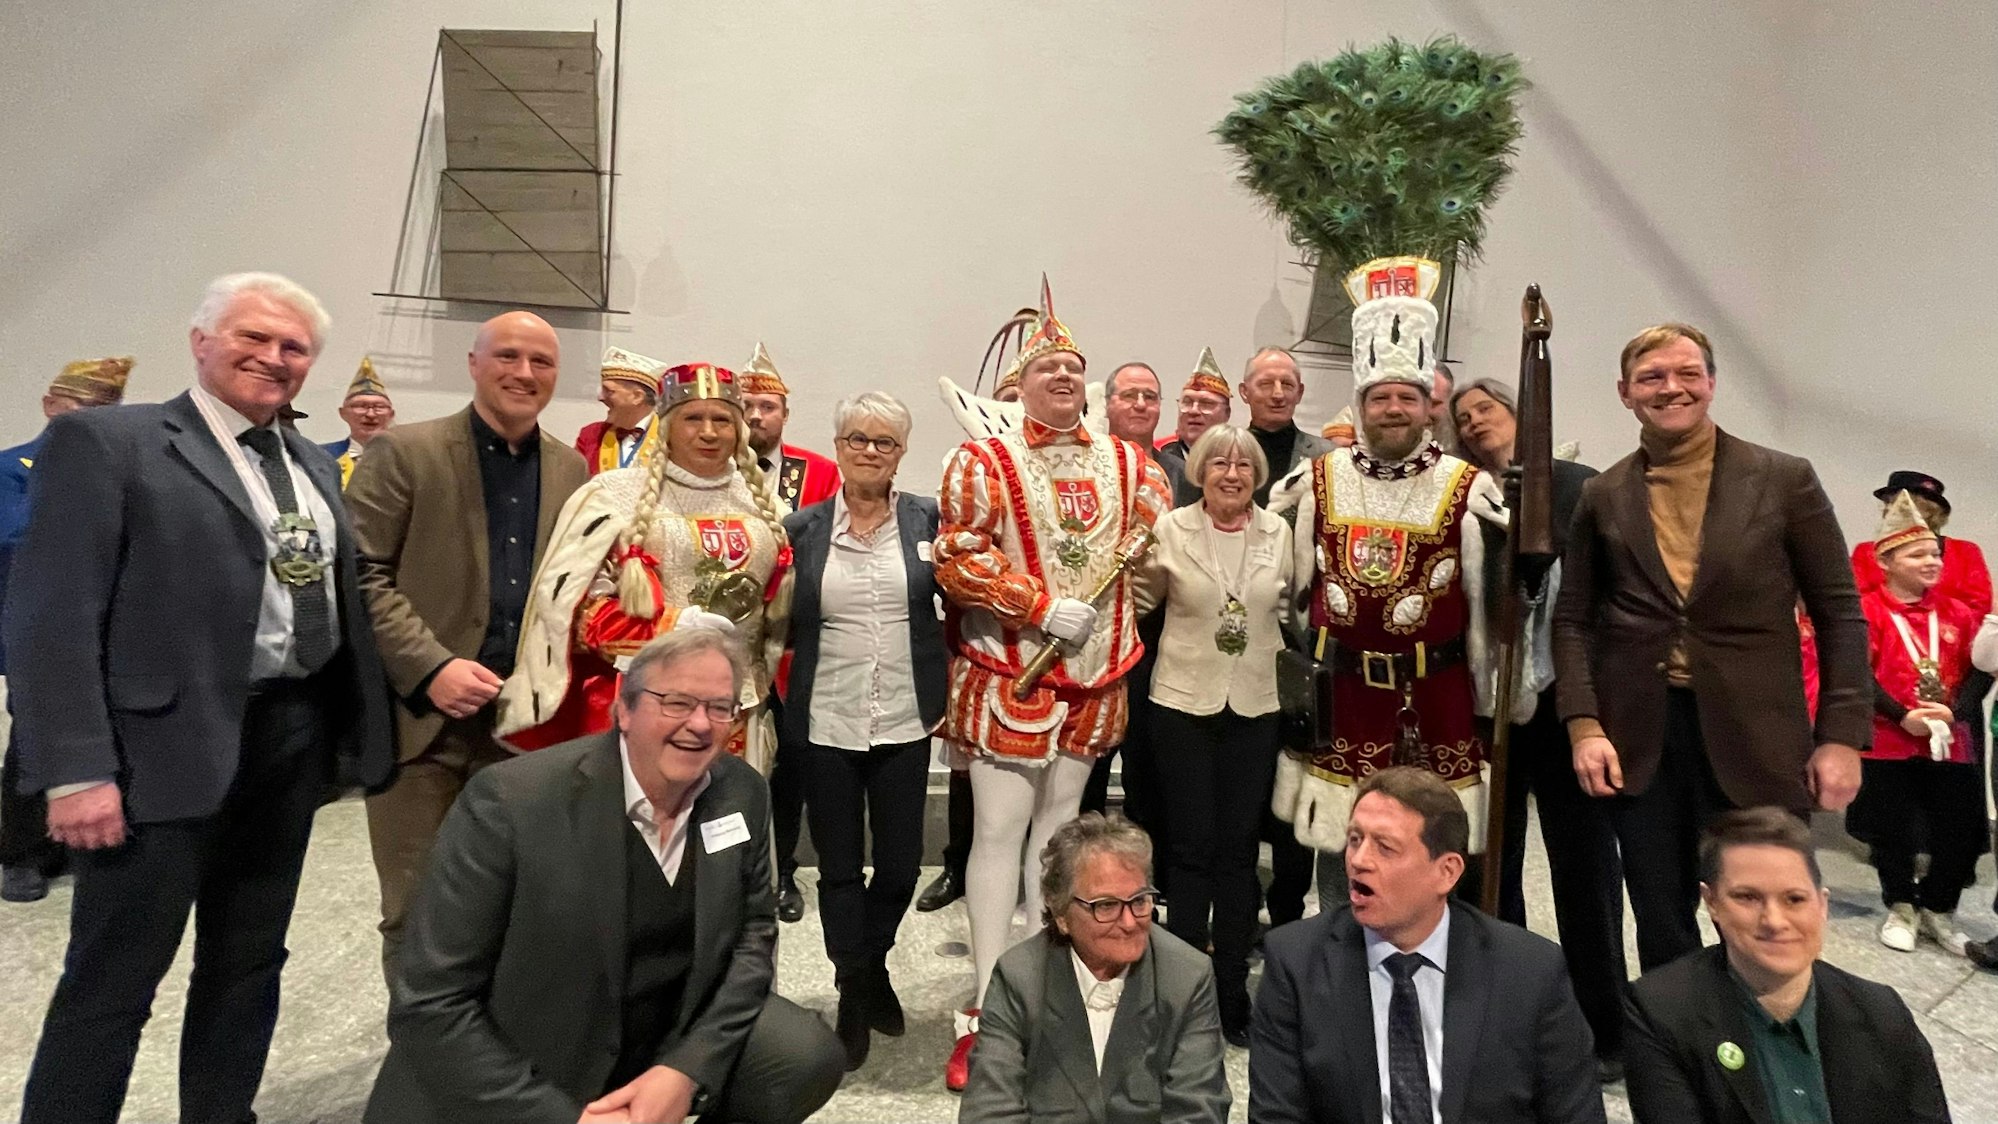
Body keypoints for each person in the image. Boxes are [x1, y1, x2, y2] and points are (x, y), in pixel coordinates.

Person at [5, 272, 394, 1124]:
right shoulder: (113, 444)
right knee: (114, 979)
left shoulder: (308, 464)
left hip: (287, 741)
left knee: (249, 962)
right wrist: (74, 772)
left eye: (294, 348)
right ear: (201, 340)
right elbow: (50, 617)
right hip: (156, 755)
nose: (274, 357)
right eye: (253, 337)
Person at [364, 628, 845, 1124]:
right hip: (530, 1052)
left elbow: (752, 939)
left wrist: (685, 1070)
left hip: (658, 1032)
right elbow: (431, 1003)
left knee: (800, 1057)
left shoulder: (739, 791)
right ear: (624, 709)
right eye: (676, 702)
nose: (700, 724)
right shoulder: (510, 804)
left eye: (720, 707)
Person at [1552, 322, 1868, 973]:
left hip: (1757, 734)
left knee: (1762, 914)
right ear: (1625, 392)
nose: (1672, 388)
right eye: (1652, 377)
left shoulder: (1783, 480)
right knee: (1661, 916)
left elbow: (1840, 613)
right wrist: (1584, 725)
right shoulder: (1603, 495)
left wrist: (1840, 735)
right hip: (1642, 738)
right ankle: (1680, 1057)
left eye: (1687, 373)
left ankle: (1762, 1058)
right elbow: (1574, 620)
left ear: (1711, 383)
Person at [934, 278, 1170, 1090]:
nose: (1064, 379)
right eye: (1049, 370)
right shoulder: (981, 461)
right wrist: (1034, 602)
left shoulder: (1134, 464)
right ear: (1019, 385)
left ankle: (1049, 987)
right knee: (997, 832)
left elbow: (1152, 548)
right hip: (1012, 668)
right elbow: (957, 556)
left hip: (1096, 670)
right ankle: (989, 1000)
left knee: (1061, 831)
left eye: (1074, 369)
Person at [345, 310, 589, 981]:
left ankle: (494, 1060)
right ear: (475, 363)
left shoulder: (571, 469)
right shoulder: (404, 452)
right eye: (508, 356)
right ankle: (421, 1072)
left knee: (515, 903)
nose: (524, 373)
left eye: (541, 362)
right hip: (422, 727)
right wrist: (432, 668)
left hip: (526, 731)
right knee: (420, 907)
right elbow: (360, 573)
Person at [1249, 767, 1604, 1124]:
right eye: (1355, 839)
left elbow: (1576, 1115)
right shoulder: (1295, 962)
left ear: (1446, 872)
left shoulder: (1530, 971)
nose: (1358, 860)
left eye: (1384, 847)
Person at [1451, 377, 1629, 1076]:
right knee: (1489, 863)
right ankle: (1511, 1003)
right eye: (1463, 419)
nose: (1475, 424)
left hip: (1564, 705)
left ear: (1521, 414)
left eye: (1486, 410)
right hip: (1486, 707)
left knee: (1584, 869)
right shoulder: (1463, 497)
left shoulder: (1579, 486)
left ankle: (1605, 1023)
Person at [1277, 315, 1494, 883]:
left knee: (1431, 846)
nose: (1394, 408)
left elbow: (1488, 606)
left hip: (1435, 696)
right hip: (1342, 690)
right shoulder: (1317, 479)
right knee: (1344, 846)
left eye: (1407, 397)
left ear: (1430, 408)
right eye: (1380, 398)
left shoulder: (1468, 486)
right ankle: (1341, 957)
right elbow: (1291, 588)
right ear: (1361, 406)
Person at [495, 362, 791, 770]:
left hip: (739, 707)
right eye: (693, 418)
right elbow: (575, 615)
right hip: (650, 705)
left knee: (728, 821)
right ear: (666, 424)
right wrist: (673, 627)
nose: (708, 432)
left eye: (722, 419)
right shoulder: (612, 497)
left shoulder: (768, 505)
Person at [782, 390, 945, 1070]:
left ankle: (866, 964)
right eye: (857, 439)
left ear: (902, 453)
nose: (870, 451)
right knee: (840, 867)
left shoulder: (930, 520)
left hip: (908, 716)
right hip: (826, 716)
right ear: (839, 445)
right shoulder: (803, 530)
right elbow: (779, 622)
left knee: (903, 864)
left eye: (884, 442)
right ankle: (856, 991)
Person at [1623, 807, 1950, 1123]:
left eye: (1794, 899)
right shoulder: (1659, 1013)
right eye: (1747, 897)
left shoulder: (1882, 1013)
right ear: (1712, 903)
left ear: (1822, 905)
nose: (1774, 921)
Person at [1136, 423, 1294, 1047]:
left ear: (1258, 476)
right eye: (1220, 463)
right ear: (1199, 470)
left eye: (1245, 466)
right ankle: (1181, 996)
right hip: (1182, 702)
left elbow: (1292, 602)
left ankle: (1231, 989)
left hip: (1256, 704)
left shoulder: (1278, 532)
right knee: (1188, 853)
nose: (1233, 474)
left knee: (1237, 855)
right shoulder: (1170, 529)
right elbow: (1142, 598)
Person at [960, 812, 1230, 1124]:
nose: (1129, 923)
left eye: (1139, 901)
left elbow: (1199, 1111)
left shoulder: (1187, 976)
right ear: (1061, 913)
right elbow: (989, 1111)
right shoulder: (1020, 976)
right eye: (1106, 905)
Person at [0, 355, 132, 904]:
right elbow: (16, 539)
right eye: (84, 406)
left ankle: (81, 841)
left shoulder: (121, 466)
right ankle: (22, 854)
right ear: (51, 406)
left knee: (105, 733)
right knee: (35, 736)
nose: (93, 417)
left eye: (106, 409)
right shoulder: (12, 468)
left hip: (111, 627)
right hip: (34, 628)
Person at [1845, 491, 1984, 956]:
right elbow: (1856, 675)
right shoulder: (1865, 612)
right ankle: (1901, 905)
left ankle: (1939, 909)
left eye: (1935, 554)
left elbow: (1982, 669)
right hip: (1888, 739)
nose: (1933, 561)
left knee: (1961, 830)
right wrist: (1902, 715)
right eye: (1919, 554)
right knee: (1892, 830)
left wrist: (1955, 712)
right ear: (1886, 560)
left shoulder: (1958, 614)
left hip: (1949, 741)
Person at [739, 341, 841, 922]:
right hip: (735, 641)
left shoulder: (818, 472)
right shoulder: (717, 468)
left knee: (793, 765)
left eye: (767, 407)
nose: (756, 416)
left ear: (784, 413)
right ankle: (738, 869)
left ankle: (784, 872)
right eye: (747, 405)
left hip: (796, 643)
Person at [1082, 360, 1168, 828]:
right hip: (1091, 644)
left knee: (1148, 771)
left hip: (1158, 647)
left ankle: (1144, 875)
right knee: (1087, 768)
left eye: (1150, 396)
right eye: (1128, 394)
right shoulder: (1084, 465)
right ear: (1107, 403)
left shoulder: (1182, 470)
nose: (1139, 404)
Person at [1848, 470, 1991, 615]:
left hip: (1953, 634)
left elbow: (1979, 605)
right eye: (1897, 503)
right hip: (1879, 631)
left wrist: (1941, 629)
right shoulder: (1866, 552)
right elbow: (1853, 602)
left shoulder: (1965, 551)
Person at [1238, 346, 1333, 510]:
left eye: (1287, 384)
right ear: (1245, 392)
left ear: (1300, 393)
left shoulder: (1328, 457)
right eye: (1266, 384)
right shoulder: (1224, 455)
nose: (1278, 395)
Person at [574, 346, 668, 476]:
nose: (600, 397)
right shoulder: (590, 436)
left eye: (609, 391)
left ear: (637, 397)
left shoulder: (671, 437)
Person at [1157, 348, 1231, 508]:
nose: (1194, 411)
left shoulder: (1238, 462)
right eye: (1187, 402)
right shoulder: (1159, 460)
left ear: (1227, 414)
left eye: (1206, 404)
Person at [323, 356, 395, 488]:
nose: (370, 414)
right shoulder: (320, 456)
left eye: (379, 407)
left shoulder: (408, 460)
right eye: (361, 406)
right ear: (343, 413)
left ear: (391, 414)